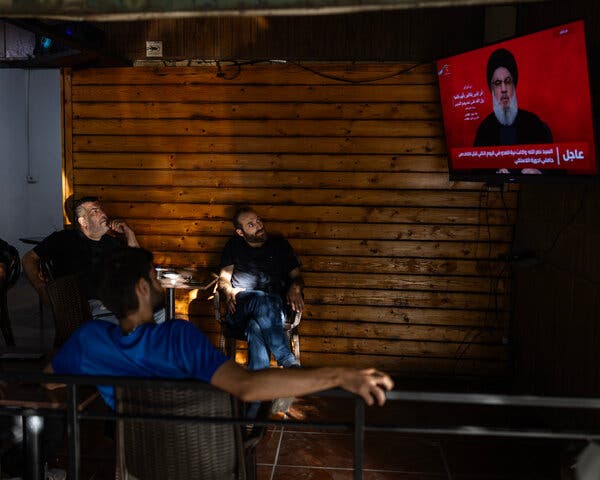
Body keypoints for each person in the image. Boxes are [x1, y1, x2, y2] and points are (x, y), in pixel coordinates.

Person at [46, 247, 393, 411]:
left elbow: (49, 379)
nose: (157, 283)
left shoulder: (88, 341)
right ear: (141, 287)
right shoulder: (176, 338)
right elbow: (246, 385)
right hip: (200, 454)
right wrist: (339, 375)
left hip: (137, 457)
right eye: (153, 277)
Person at [22, 196, 143, 322]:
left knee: (162, 313)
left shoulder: (111, 242)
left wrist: (129, 233)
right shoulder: (63, 239)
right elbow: (28, 259)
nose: (102, 213)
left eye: (101, 210)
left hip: (116, 301)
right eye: (95, 211)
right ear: (83, 221)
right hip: (85, 307)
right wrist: (40, 287)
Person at [218, 206, 303, 372]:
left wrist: (296, 287)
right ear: (240, 232)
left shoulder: (279, 244)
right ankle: (288, 360)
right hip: (241, 305)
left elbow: (297, 277)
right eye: (251, 224)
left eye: (258, 220)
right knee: (259, 298)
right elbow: (223, 279)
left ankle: (255, 396)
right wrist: (228, 291)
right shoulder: (234, 246)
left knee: (254, 327)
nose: (258, 225)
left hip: (276, 307)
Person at [474, 48, 553, 148]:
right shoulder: (484, 130)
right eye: (498, 83)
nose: (503, 89)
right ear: (492, 89)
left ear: (514, 86)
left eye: (507, 82)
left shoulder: (534, 124)